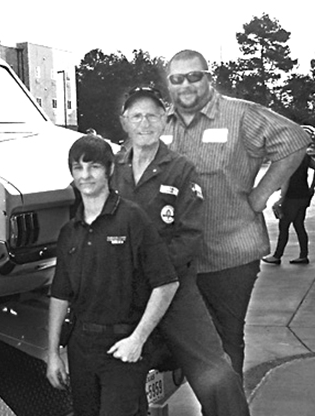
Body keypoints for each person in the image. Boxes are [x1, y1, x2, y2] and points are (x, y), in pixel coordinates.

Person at [164, 49, 311, 379]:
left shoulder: (240, 115)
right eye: (177, 78)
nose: (186, 84)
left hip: (229, 256)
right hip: (179, 259)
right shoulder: (162, 122)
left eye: (194, 76)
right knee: (181, 343)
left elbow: (295, 140)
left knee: (225, 342)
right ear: (169, 84)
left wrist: (260, 195)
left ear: (208, 77)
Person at [112, 87, 250, 415]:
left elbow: (189, 237)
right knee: (107, 372)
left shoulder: (180, 169)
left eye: (152, 115)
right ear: (124, 122)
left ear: (164, 120)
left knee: (215, 372)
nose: (144, 123)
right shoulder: (111, 168)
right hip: (122, 291)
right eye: (136, 116)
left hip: (172, 288)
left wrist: (152, 274)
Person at [46, 135, 179, 416]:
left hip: (123, 347)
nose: (85, 175)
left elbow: (166, 283)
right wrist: (53, 354)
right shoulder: (69, 231)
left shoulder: (133, 219)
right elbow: (59, 295)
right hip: (80, 347)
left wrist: (138, 339)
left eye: (93, 167)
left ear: (108, 170)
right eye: (78, 168)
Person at [262, 153, 315, 265]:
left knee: (284, 226)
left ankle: (277, 256)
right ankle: (303, 255)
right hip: (304, 195)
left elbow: (286, 181)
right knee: (299, 225)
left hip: (291, 197)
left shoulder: (287, 157)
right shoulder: (304, 156)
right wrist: (312, 187)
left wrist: (280, 199)